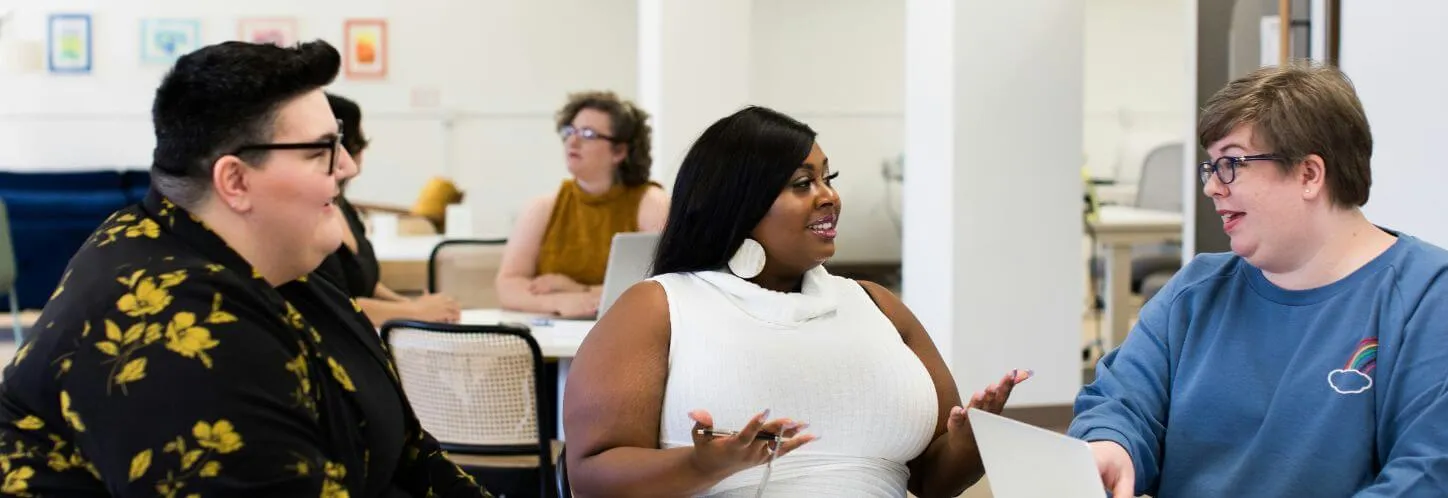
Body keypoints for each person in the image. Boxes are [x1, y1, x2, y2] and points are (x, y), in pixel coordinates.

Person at [0, 40, 490, 496]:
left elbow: (410, 454)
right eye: (321, 150)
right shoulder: (176, 328)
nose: (347, 167)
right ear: (234, 180)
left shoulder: (284, 267)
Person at [562, 106, 1027, 497]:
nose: (829, 197)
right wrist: (701, 467)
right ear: (738, 203)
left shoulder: (876, 305)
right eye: (802, 184)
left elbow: (933, 480)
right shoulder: (660, 306)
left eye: (828, 179)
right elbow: (590, 476)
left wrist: (969, 440)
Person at [1069, 62, 1448, 497]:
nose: (1212, 187)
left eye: (1231, 164)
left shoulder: (1428, 298)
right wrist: (1110, 444)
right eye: (1211, 168)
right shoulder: (1195, 293)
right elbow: (1120, 400)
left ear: (1309, 174)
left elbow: (1428, 474)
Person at [495, 90, 669, 318]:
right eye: (570, 131)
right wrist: (561, 301)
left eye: (588, 134)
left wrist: (579, 290)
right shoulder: (542, 208)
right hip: (556, 337)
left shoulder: (652, 202)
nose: (573, 141)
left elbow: (667, 282)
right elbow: (507, 285)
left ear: (619, 151)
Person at [315, 92, 462, 325]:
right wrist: (416, 312)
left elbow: (366, 283)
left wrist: (412, 305)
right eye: (359, 141)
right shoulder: (311, 218)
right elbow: (336, 303)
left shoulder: (345, 210)